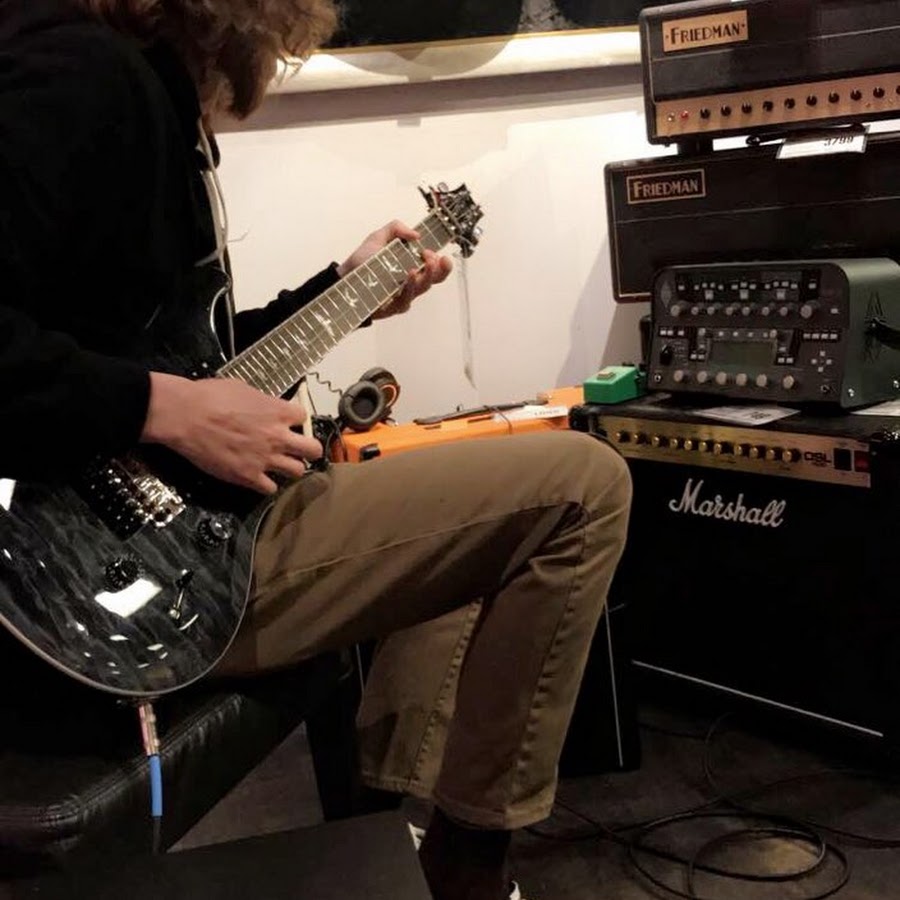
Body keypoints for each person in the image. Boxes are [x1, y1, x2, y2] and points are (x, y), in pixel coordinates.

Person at [0, 2, 633, 898]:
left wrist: (343, 290)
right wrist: (164, 409)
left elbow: (195, 360)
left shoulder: (126, 80)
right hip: (99, 580)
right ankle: (468, 869)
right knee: (583, 486)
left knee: (466, 500)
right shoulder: (84, 76)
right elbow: (166, 392)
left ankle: (394, 826)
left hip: (168, 530)